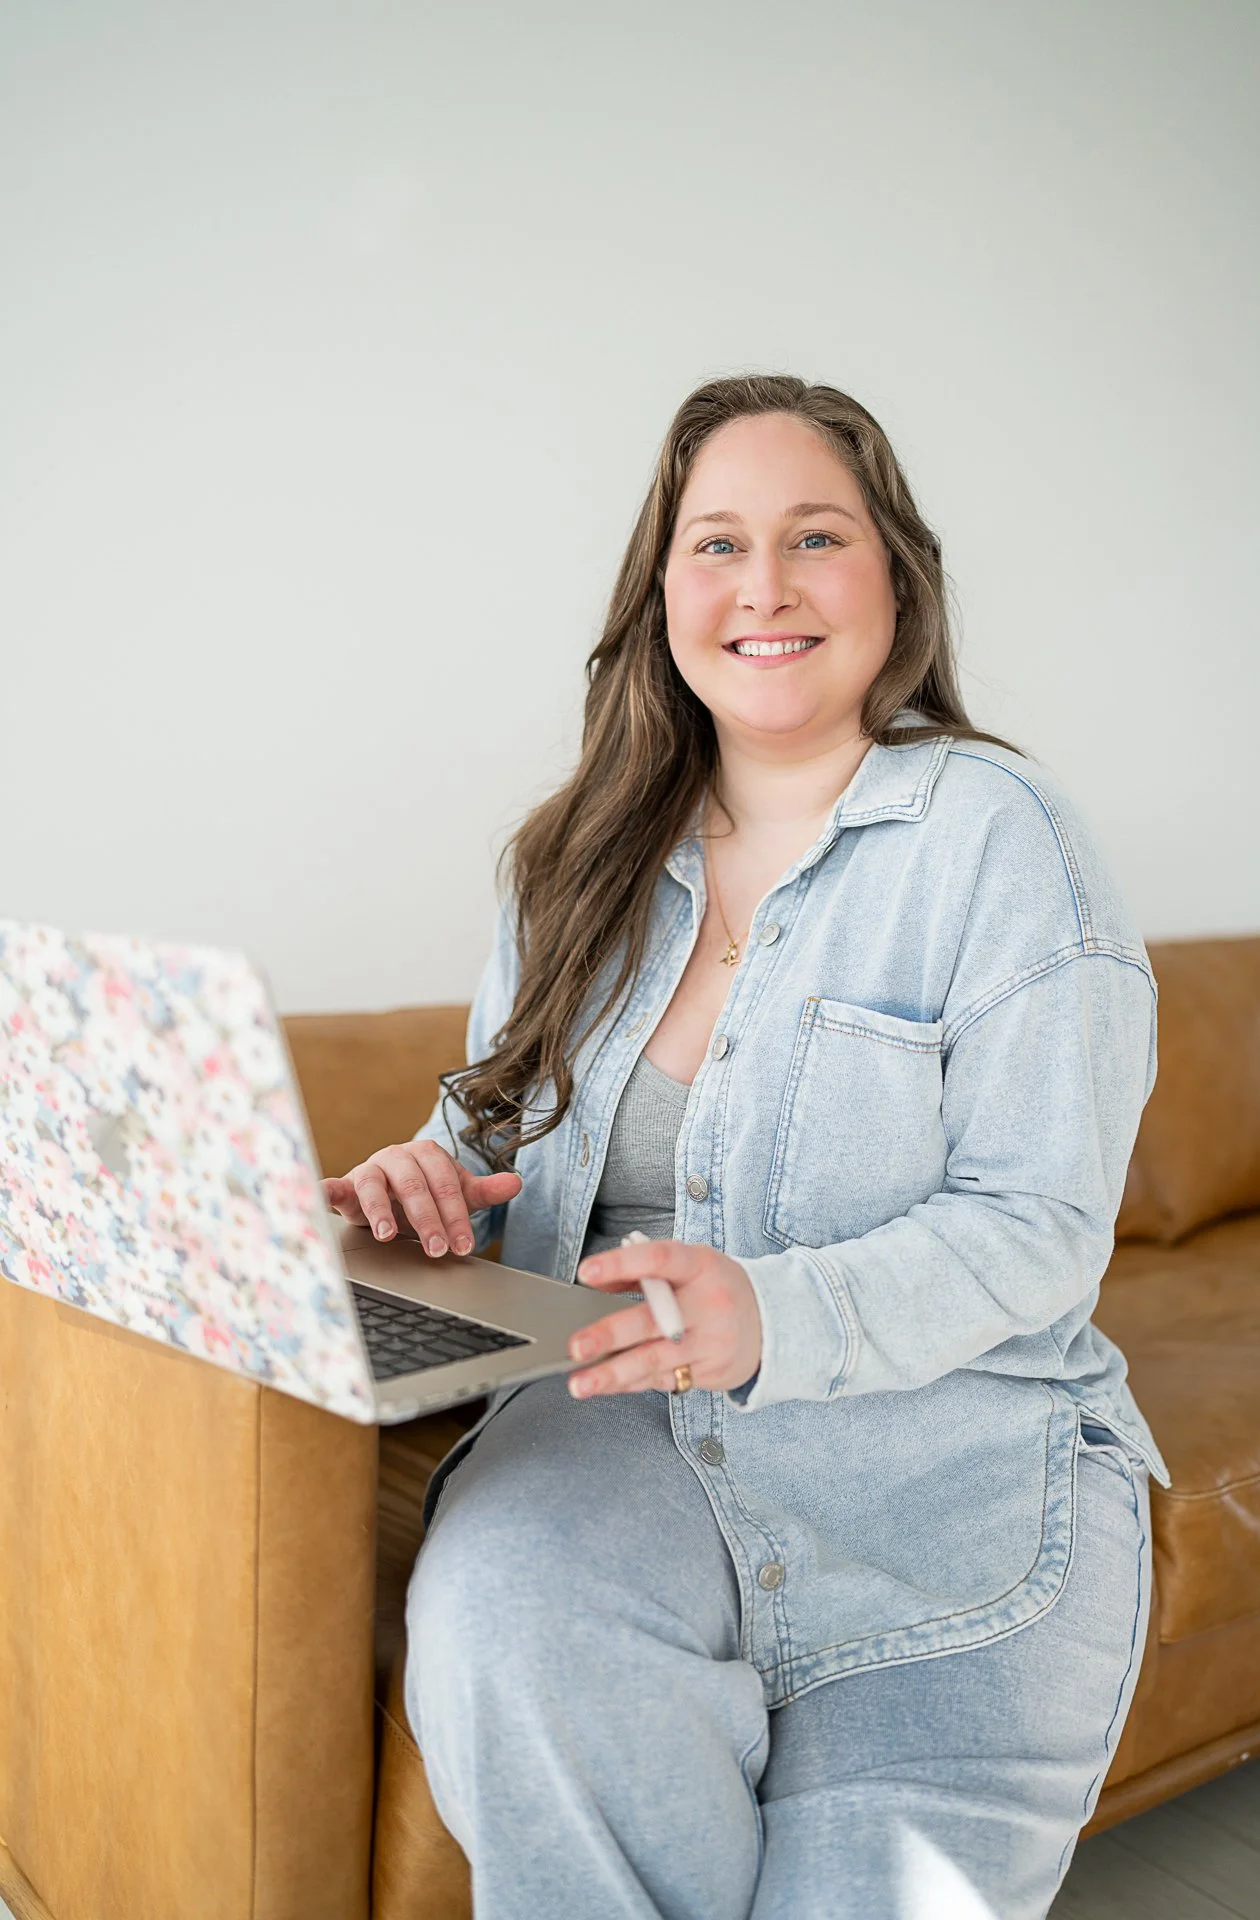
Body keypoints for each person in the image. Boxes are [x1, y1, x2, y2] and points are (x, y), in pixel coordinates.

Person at [323, 374, 1169, 1919]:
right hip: (608, 1446)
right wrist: (426, 1177)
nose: (763, 587)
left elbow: (1041, 1222)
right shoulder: (569, 855)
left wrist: (772, 1312)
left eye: (815, 537)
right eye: (716, 544)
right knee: (506, 1623)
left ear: (894, 581)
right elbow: (495, 1111)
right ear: (663, 594)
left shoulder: (1003, 836)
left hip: (948, 1491)